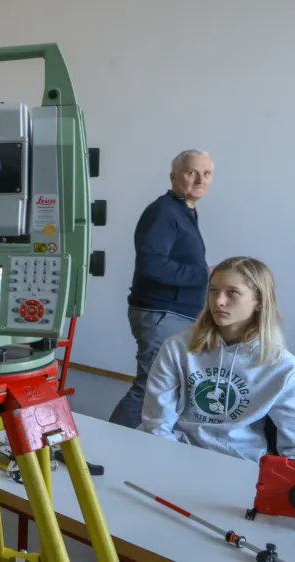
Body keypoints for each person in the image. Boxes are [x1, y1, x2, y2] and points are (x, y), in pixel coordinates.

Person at [140, 257, 295, 462]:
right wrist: (171, 460)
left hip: (241, 463)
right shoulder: (177, 348)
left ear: (259, 301)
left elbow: (292, 445)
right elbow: (157, 423)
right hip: (178, 451)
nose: (219, 301)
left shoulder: (282, 366)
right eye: (213, 290)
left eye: (232, 292)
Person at [109, 149, 214, 429]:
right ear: (174, 176)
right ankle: (105, 445)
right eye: (192, 172)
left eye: (207, 173)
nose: (200, 179)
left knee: (164, 386)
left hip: (173, 313)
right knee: (148, 388)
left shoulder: (185, 211)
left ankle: (145, 446)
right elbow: (152, 266)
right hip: (160, 313)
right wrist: (204, 274)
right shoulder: (163, 212)